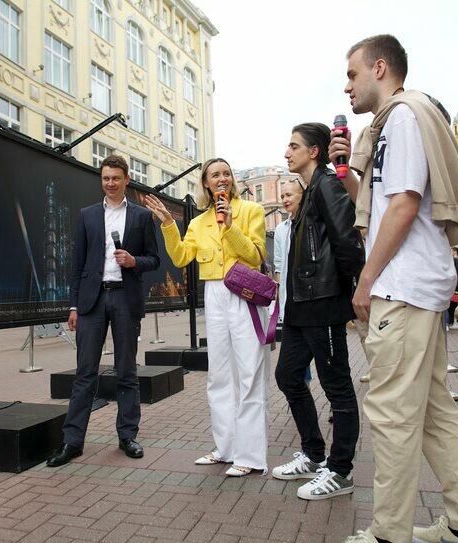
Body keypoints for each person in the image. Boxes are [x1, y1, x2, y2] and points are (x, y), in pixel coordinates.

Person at [330, 35, 458, 543]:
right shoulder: (402, 119)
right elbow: (382, 204)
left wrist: (367, 279)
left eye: (353, 74)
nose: (347, 85)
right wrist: (347, 176)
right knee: (434, 415)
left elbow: (402, 204)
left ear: (380, 68)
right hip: (419, 289)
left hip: (400, 289)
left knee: (394, 417)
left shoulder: (400, 117)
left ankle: (388, 533)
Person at [145, 158, 270, 477]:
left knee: (249, 373)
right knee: (219, 374)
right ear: (206, 183)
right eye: (215, 174)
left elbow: (256, 255)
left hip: (244, 292)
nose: (223, 178)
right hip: (214, 294)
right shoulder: (198, 222)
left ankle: (251, 455)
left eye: (227, 172)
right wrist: (167, 224)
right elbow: (181, 257)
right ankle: (225, 447)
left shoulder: (250, 212)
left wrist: (229, 227)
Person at [46, 155, 160, 467]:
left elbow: (155, 259)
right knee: (84, 373)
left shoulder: (141, 217)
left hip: (125, 299)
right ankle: (72, 442)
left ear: (126, 180)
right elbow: (77, 264)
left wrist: (134, 261)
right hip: (91, 303)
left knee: (127, 372)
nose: (110, 183)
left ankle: (127, 436)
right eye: (105, 178)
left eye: (115, 178)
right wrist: (73, 305)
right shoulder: (87, 215)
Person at [271, 123, 364, 500]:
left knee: (337, 387)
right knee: (288, 376)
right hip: (300, 306)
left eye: (293, 145)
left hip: (323, 302)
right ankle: (313, 454)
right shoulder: (310, 191)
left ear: (314, 151)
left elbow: (347, 240)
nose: (286, 152)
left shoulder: (327, 183)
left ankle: (340, 471)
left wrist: (352, 288)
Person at [274, 180, 312, 384]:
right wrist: (281, 298)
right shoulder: (281, 229)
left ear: (303, 196)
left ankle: (334, 404)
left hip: (313, 301)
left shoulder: (313, 222)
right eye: (282, 196)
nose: (285, 200)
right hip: (290, 302)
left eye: (289, 195)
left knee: (326, 360)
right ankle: (301, 391)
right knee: (294, 361)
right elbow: (279, 264)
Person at [448, 248, 458, 329]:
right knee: (451, 305)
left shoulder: (456, 261)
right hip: (452, 285)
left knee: (454, 304)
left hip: (455, 286)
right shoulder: (452, 261)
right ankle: (452, 321)